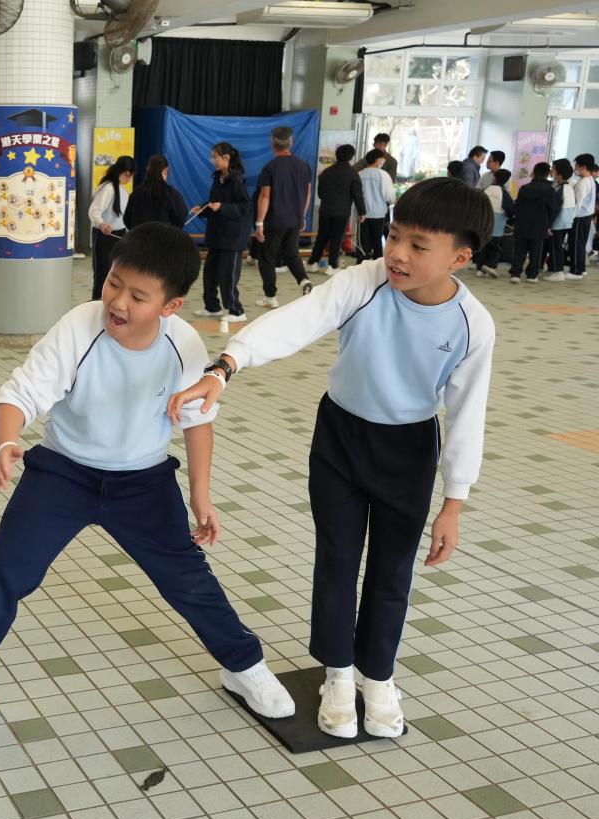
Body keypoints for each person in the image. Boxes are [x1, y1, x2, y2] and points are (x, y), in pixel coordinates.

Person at [0, 223, 295, 733]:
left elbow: (197, 420)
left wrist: (201, 495)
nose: (117, 301)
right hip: (62, 473)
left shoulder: (184, 344)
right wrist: (7, 442)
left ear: (170, 306)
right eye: (114, 282)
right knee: (4, 572)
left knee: (188, 579)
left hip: (143, 482)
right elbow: (19, 395)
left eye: (138, 296)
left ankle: (244, 666)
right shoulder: (80, 326)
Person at [170, 177, 495, 741]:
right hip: (341, 439)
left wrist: (455, 502)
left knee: (393, 570)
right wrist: (225, 366)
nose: (397, 253)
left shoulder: (473, 325)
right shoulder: (363, 282)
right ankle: (339, 674)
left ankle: (379, 676)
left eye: (418, 245)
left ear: (459, 258)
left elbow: (468, 413)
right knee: (338, 561)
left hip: (409, 450)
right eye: (395, 235)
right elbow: (297, 322)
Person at [255, 125, 313, 308]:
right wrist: (302, 215)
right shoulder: (303, 166)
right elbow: (308, 193)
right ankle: (303, 280)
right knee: (291, 253)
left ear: (272, 144)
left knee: (267, 258)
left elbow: (265, 196)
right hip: (295, 219)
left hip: (275, 220)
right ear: (291, 142)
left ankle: (270, 297)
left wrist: (259, 222)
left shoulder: (270, 168)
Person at [194, 142, 250, 323]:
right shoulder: (217, 178)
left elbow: (245, 207)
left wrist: (222, 207)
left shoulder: (237, 180)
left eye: (215, 157)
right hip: (217, 234)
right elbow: (214, 202)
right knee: (209, 272)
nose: (213, 160)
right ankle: (212, 306)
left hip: (233, 237)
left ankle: (237, 311)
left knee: (227, 275)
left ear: (226, 158)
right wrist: (203, 208)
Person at [307, 144, 365, 275]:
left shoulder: (326, 172)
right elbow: (358, 195)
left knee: (322, 236)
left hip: (325, 210)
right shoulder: (353, 173)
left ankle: (312, 263)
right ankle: (332, 266)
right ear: (351, 157)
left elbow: (320, 194)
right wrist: (362, 212)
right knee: (337, 238)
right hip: (342, 212)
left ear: (336, 155)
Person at [88, 155, 135, 300]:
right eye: (132, 175)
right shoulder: (108, 188)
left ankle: (110, 303)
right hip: (104, 236)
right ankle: (97, 304)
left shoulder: (123, 191)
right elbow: (94, 211)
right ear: (128, 173)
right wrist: (101, 224)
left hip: (119, 236)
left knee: (116, 275)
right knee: (102, 275)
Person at [509, 162, 561, 284]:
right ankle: (532, 275)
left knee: (519, 250)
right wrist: (549, 224)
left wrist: (515, 221)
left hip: (522, 224)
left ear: (534, 172)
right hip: (540, 225)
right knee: (536, 252)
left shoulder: (524, 188)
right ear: (547, 174)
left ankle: (515, 274)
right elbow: (554, 209)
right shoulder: (550, 190)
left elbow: (517, 206)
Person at [122, 154, 188, 231]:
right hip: (164, 237)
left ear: (147, 169)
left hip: (138, 237)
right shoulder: (172, 195)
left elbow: (127, 220)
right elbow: (181, 219)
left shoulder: (135, 195)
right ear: (165, 170)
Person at [475, 169, 514, 278]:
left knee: (482, 247)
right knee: (495, 247)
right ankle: (489, 265)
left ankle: (479, 268)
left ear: (494, 178)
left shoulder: (487, 190)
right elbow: (511, 208)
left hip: (484, 222)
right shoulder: (504, 193)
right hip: (498, 224)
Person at [542, 159, 576, 282]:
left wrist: (549, 225)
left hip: (558, 223)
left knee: (555, 248)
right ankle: (554, 269)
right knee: (557, 247)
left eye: (554, 169)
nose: (552, 171)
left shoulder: (559, 189)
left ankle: (558, 272)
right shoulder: (569, 187)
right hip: (566, 222)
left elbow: (554, 209)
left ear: (559, 174)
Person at [358, 150, 395, 262]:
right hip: (379, 213)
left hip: (362, 213)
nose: (383, 161)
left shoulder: (360, 174)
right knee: (377, 240)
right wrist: (391, 201)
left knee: (363, 240)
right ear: (377, 160)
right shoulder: (383, 175)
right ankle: (377, 262)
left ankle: (362, 261)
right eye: (382, 159)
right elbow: (390, 195)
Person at [569, 154, 595, 279]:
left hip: (579, 217)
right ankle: (581, 269)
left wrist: (570, 218)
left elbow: (577, 204)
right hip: (586, 216)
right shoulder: (590, 180)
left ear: (583, 167)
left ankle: (576, 272)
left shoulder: (583, 183)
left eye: (576, 166)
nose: (575, 169)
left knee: (575, 244)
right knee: (581, 244)